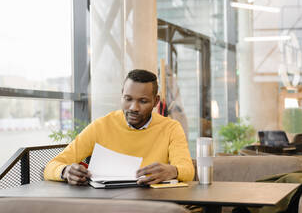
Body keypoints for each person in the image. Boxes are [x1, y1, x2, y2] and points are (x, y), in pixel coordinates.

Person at [44, 69, 194, 186]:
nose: (134, 107)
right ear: (122, 95)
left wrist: (173, 170)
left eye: (143, 101)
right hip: (109, 204)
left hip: (153, 204)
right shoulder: (101, 126)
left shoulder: (171, 128)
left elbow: (188, 170)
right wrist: (65, 171)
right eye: (128, 99)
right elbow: (51, 166)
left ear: (156, 102)